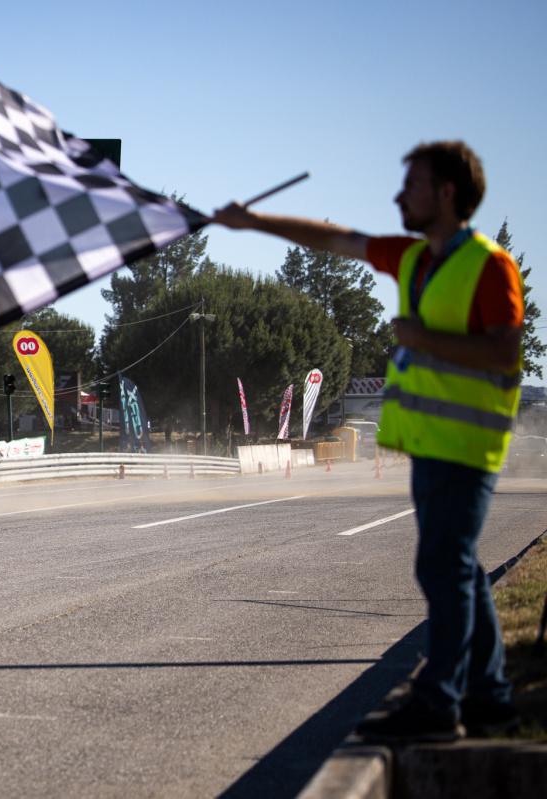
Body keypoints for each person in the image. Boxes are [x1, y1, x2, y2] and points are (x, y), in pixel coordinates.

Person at [212, 140, 522, 742]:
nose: (398, 195)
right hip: (431, 444)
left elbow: (505, 354)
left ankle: (439, 703)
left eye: (412, 184)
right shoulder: (414, 258)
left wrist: (423, 338)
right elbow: (332, 238)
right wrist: (252, 223)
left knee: (443, 566)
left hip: (466, 445)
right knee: (460, 566)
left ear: (448, 194)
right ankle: (492, 698)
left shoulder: (490, 266)